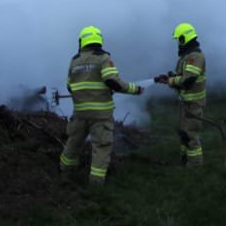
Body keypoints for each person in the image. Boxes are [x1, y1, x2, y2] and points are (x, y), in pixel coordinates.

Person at [59, 25, 143, 185]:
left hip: (79, 113)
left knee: (73, 143)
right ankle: (96, 186)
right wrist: (135, 89)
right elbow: (112, 80)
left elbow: (69, 86)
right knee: (101, 147)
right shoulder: (103, 58)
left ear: (82, 41)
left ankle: (65, 174)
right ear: (99, 40)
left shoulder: (74, 60)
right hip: (100, 115)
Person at [155, 21, 207, 168]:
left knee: (191, 134)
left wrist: (172, 80)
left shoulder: (195, 57)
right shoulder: (187, 57)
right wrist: (169, 78)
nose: (178, 43)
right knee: (183, 133)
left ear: (184, 39)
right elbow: (181, 77)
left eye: (179, 39)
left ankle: (195, 165)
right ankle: (185, 160)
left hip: (193, 103)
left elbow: (188, 80)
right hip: (186, 102)